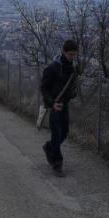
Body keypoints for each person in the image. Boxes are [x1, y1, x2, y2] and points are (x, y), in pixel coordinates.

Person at [41, 39, 79, 176]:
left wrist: (72, 93)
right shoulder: (53, 68)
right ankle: (57, 163)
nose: (72, 57)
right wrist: (52, 103)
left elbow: (72, 87)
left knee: (64, 133)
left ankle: (49, 147)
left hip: (64, 104)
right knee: (57, 133)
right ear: (63, 51)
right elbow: (43, 87)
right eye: (70, 54)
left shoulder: (73, 68)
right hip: (55, 105)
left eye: (74, 54)